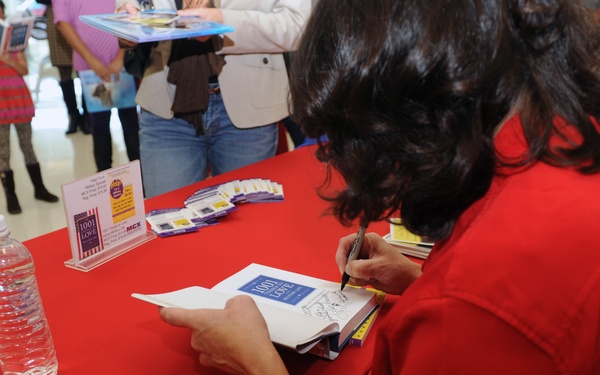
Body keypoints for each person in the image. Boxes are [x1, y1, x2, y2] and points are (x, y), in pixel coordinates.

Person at [157, 1, 600, 374]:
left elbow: (481, 308)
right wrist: (419, 279)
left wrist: (257, 363)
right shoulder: (567, 138)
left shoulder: (464, 310)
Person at [115, 0, 312, 198]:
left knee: (246, 224)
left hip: (249, 108)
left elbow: (298, 25)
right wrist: (127, 17)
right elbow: (131, 5)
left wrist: (222, 21)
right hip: (165, 104)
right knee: (167, 217)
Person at [53, 0, 140, 172]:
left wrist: (121, 57)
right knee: (99, 126)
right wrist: (91, 60)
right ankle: (106, 186)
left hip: (124, 62)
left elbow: (131, 13)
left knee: (131, 124)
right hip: (89, 69)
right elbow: (63, 24)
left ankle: (144, 185)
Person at [0, 0, 59, 215]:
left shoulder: (12, 39)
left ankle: (40, 189)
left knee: (28, 147)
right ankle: (11, 196)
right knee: (3, 152)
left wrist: (8, 59)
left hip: (19, 100)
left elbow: (24, 69)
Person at [35, 0, 90, 135]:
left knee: (84, 68)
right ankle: (73, 115)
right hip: (55, 17)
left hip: (80, 13)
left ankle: (88, 116)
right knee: (63, 70)